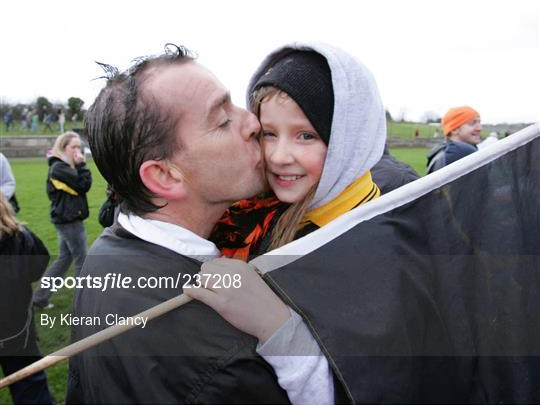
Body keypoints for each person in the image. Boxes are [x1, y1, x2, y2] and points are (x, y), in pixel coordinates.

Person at [66, 45, 292, 404]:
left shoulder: (111, 250)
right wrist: (289, 337)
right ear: (166, 176)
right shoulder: (221, 356)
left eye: (234, 104)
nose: (252, 122)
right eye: (222, 120)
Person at [186, 43, 387, 402]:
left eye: (306, 135)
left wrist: (277, 327)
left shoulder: (378, 246)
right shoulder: (255, 211)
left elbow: (379, 383)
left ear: (348, 139)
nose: (279, 157)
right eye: (268, 133)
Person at [0, 192, 56, 405]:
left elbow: (37, 264)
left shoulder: (21, 238)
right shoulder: (21, 238)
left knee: (30, 384)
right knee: (31, 386)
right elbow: (36, 267)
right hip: (17, 332)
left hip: (17, 332)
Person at [33, 131, 92, 309]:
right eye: (73, 147)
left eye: (78, 147)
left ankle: (39, 297)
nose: (77, 150)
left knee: (64, 259)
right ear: (63, 147)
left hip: (66, 218)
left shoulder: (63, 165)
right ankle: (83, 302)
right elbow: (83, 185)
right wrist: (82, 165)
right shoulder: (60, 167)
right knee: (83, 260)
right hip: (69, 220)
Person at [426, 106, 482, 173]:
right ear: (454, 130)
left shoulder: (443, 153)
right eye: (472, 123)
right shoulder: (456, 153)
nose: (479, 128)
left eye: (479, 122)